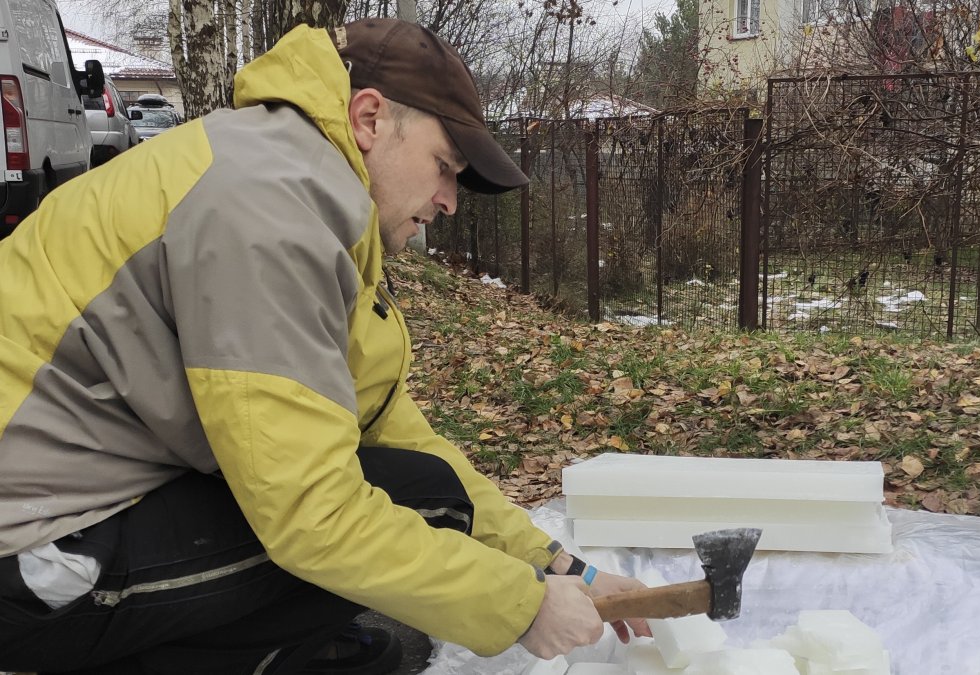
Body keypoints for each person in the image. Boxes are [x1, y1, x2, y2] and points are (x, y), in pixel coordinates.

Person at [0, 18, 650, 675]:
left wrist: (563, 566)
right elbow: (312, 516)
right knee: (387, 514)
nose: (450, 201)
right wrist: (523, 605)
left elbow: (390, 434)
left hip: (70, 502)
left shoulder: (291, 183)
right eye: (444, 167)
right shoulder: (268, 213)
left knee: (427, 491)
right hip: (31, 551)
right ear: (369, 117)